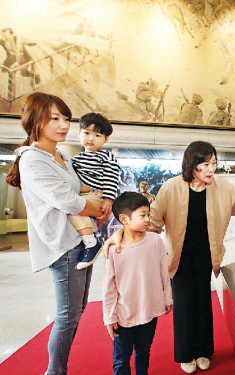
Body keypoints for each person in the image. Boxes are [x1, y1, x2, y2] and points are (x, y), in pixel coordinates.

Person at [104, 140, 235, 374]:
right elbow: (150, 220)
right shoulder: (171, 187)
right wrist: (121, 233)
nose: (211, 169)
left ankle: (204, 351)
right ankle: (186, 354)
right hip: (178, 258)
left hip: (206, 257)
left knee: (203, 305)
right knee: (183, 306)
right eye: (205, 164)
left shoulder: (223, 188)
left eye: (214, 163)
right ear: (192, 165)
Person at [6, 92, 107, 375]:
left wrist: (106, 196)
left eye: (66, 119)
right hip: (62, 245)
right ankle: (55, 372)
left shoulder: (60, 154)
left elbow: (77, 190)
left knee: (76, 311)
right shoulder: (32, 160)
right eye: (55, 118)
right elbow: (67, 200)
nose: (63, 125)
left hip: (77, 239)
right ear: (35, 121)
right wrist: (97, 209)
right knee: (67, 315)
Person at [103, 192, 173, 375]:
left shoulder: (155, 241)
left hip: (149, 310)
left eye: (149, 214)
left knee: (144, 351)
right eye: (143, 215)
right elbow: (109, 287)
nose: (148, 219)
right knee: (121, 359)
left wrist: (167, 299)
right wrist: (109, 317)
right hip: (124, 315)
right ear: (124, 219)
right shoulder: (114, 250)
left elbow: (163, 272)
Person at [70, 112, 121, 269]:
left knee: (73, 207)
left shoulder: (106, 157)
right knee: (73, 208)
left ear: (105, 139)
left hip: (97, 194)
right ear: (79, 133)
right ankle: (90, 236)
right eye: (86, 133)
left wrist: (108, 199)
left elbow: (112, 178)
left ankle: (91, 243)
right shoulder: (76, 158)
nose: (91, 138)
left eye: (97, 135)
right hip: (84, 194)